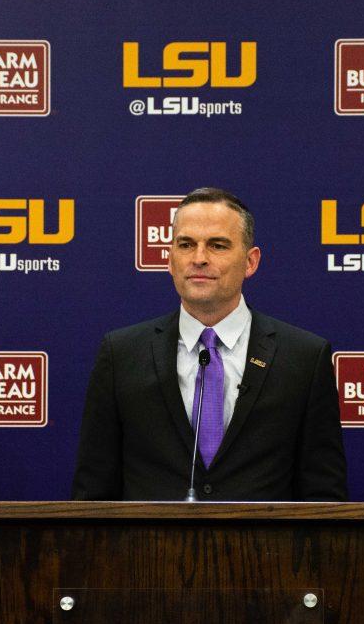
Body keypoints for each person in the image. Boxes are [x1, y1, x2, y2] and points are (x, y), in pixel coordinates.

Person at [71, 187, 347, 501]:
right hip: (148, 548)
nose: (199, 258)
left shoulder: (304, 357)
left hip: (266, 548)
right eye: (186, 245)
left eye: (217, 245)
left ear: (250, 261)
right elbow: (92, 495)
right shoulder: (120, 354)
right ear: (171, 260)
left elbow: (324, 498)